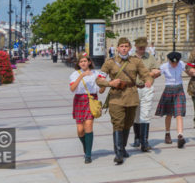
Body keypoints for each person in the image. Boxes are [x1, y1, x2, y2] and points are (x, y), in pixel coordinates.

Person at [99, 37, 152, 165]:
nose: (123, 48)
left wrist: (149, 80)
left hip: (131, 96)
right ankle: (118, 153)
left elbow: (145, 73)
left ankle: (122, 148)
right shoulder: (110, 62)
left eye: (126, 46)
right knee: (118, 124)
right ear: (117, 48)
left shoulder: (135, 61)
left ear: (129, 48)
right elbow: (99, 79)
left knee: (127, 124)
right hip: (116, 97)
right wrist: (109, 83)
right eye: (121, 46)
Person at [69, 53, 108, 163]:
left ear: (89, 62)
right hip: (79, 100)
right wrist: (81, 76)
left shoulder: (96, 74)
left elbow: (100, 90)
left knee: (88, 125)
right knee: (80, 130)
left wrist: (104, 85)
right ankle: (86, 147)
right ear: (79, 63)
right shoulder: (75, 74)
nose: (83, 63)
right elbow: (72, 88)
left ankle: (88, 155)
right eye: (81, 61)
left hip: (91, 100)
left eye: (85, 61)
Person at [131, 37, 161, 152]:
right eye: (140, 47)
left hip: (146, 88)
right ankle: (137, 138)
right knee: (136, 114)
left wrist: (152, 73)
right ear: (136, 47)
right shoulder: (131, 58)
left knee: (146, 114)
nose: (142, 49)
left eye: (144, 47)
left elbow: (157, 71)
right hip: (134, 89)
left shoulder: (150, 57)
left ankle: (144, 141)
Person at [155, 51, 187, 148]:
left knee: (179, 113)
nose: (174, 64)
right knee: (168, 114)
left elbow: (190, 69)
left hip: (179, 90)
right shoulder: (164, 66)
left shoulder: (181, 64)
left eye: (176, 62)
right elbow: (156, 73)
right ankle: (167, 133)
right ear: (169, 60)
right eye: (172, 62)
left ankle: (180, 135)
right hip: (168, 90)